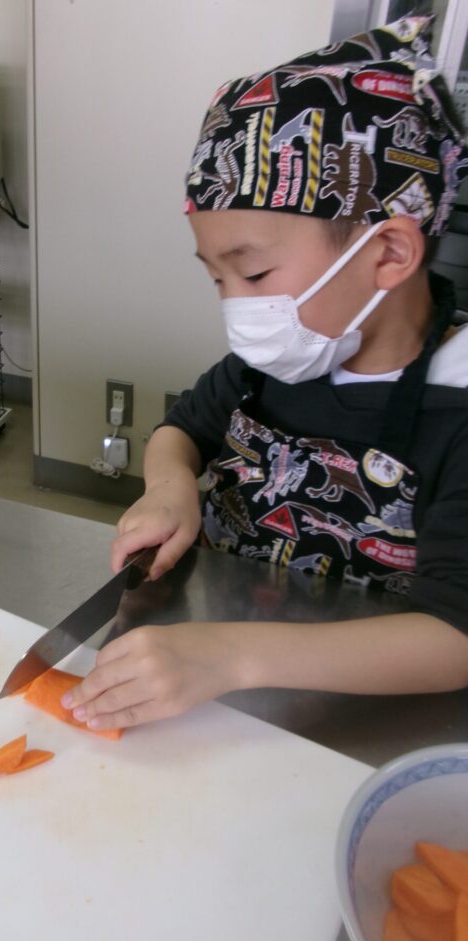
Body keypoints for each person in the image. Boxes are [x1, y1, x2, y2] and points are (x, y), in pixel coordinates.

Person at [62, 15, 468, 731]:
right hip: (212, 680)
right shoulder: (279, 360)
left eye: (253, 274)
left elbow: (455, 637)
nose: (237, 308)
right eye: (217, 277)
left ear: (390, 255)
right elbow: (182, 429)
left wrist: (230, 657)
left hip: (358, 716)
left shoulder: (456, 408)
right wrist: (168, 489)